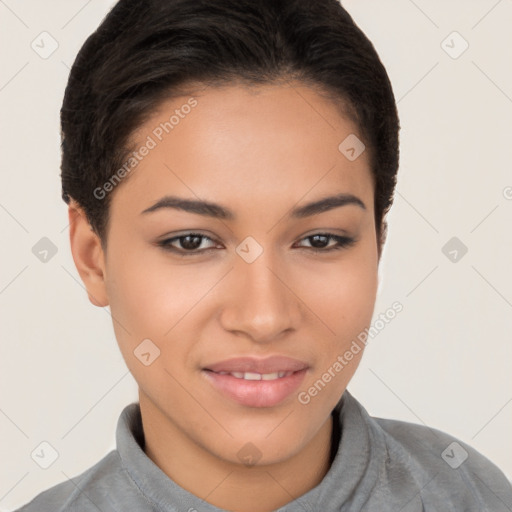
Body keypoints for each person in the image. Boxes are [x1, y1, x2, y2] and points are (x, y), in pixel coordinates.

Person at [15, 0, 512, 511]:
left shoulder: (472, 494)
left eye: (320, 240)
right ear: (92, 256)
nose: (264, 317)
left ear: (378, 245)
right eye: (191, 241)